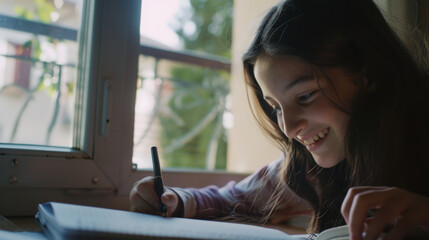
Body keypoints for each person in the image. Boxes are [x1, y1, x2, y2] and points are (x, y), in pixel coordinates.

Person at [130, 0, 429, 239]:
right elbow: (231, 199)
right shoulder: (307, 170)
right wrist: (172, 199)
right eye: (275, 107)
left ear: (366, 73)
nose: (288, 128)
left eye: (305, 97)